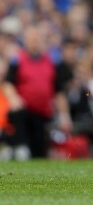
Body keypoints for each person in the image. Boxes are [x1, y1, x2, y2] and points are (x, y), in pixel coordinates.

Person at [4, 24, 73, 159]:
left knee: (38, 151)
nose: (34, 42)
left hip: (43, 113)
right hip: (24, 110)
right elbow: (8, 83)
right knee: (16, 114)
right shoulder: (17, 60)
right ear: (26, 41)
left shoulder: (52, 61)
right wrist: (14, 97)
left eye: (37, 39)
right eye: (31, 39)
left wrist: (65, 115)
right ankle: (19, 147)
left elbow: (59, 91)